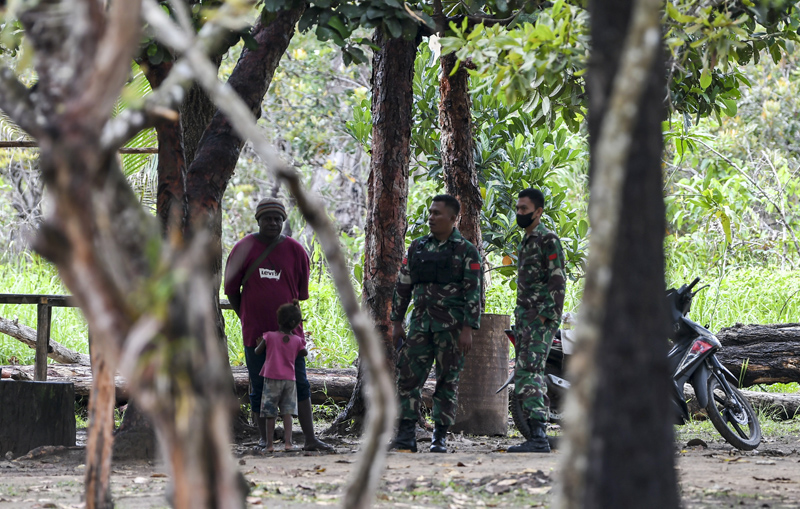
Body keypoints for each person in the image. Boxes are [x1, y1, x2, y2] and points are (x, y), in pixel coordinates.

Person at [224, 197, 332, 451]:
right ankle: (265, 439)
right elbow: (231, 289)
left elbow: (299, 295)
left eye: (277, 219)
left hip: (290, 336)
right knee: (259, 384)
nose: (272, 223)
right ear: (258, 220)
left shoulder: (295, 251)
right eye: (267, 218)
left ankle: (310, 438)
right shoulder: (243, 248)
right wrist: (246, 316)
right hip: (256, 334)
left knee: (301, 383)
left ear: (283, 221)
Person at [389, 194, 482, 453]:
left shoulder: (466, 251)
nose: (431, 217)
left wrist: (468, 329)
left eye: (437, 213)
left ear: (453, 219)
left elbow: (474, 293)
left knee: (447, 381)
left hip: (451, 330)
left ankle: (439, 437)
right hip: (419, 326)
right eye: (430, 212)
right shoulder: (418, 247)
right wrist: (396, 322)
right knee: (407, 379)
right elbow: (403, 286)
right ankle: (405, 437)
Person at [508, 188, 566, 453]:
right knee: (524, 375)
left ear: (538, 211)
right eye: (518, 208)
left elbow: (557, 281)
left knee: (530, 373)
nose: (519, 213)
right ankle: (536, 434)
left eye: (524, 209)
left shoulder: (547, 239)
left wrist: (544, 317)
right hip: (525, 320)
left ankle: (539, 438)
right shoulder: (526, 241)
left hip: (540, 321)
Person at [256, 301, 308, 452]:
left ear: (278, 320)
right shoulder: (297, 341)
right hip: (289, 380)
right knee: (287, 413)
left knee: (270, 413)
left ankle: (269, 445)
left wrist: (260, 343)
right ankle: (288, 444)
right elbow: (304, 353)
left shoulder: (269, 337)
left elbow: (257, 351)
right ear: (295, 323)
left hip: (271, 379)